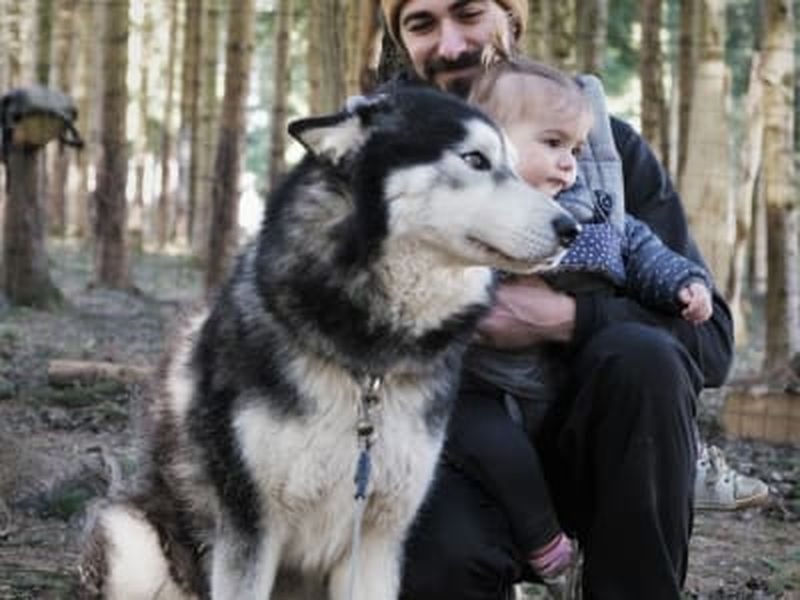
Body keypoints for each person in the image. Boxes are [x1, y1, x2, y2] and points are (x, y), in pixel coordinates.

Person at [375, 1, 765, 598]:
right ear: (399, 39)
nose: (451, 45)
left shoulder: (600, 153)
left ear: (514, 18)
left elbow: (710, 346)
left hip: (603, 451)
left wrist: (567, 319)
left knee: (645, 357)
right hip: (450, 450)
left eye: (469, 13)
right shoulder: (370, 153)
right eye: (421, 23)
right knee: (443, 546)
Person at [448, 53, 717, 592]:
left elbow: (642, 249)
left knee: (647, 357)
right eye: (552, 144)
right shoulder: (461, 208)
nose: (570, 162)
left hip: (579, 408)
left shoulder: (589, 210)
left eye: (574, 149)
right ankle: (547, 548)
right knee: (484, 438)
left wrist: (684, 283)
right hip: (480, 397)